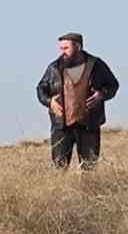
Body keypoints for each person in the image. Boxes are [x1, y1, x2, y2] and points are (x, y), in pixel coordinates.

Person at [36, 33, 119, 170]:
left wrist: (101, 95)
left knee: (89, 167)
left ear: (78, 47)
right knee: (58, 168)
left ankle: (88, 191)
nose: (62, 52)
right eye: (61, 48)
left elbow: (113, 85)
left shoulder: (96, 65)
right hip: (61, 126)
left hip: (89, 125)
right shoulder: (54, 67)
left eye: (66, 48)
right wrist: (50, 102)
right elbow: (40, 89)